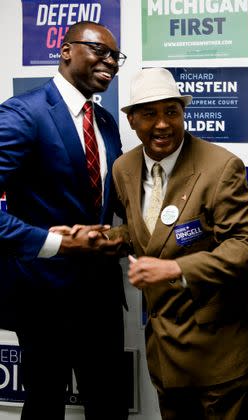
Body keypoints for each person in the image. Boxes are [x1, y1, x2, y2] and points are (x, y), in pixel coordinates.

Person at [112, 67, 248, 420]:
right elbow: (147, 237)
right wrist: (105, 238)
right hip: (166, 352)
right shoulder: (124, 169)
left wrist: (178, 268)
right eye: (149, 113)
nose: (162, 123)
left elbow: (246, 246)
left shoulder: (221, 166)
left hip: (220, 351)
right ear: (132, 120)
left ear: (184, 113)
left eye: (172, 112)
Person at [0, 21, 129, 419]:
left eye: (115, 56)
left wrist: (126, 235)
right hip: (45, 294)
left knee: (109, 404)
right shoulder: (24, 113)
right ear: (66, 50)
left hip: (103, 293)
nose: (109, 62)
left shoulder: (105, 122)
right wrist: (56, 243)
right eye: (99, 51)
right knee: (45, 405)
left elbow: (113, 202)